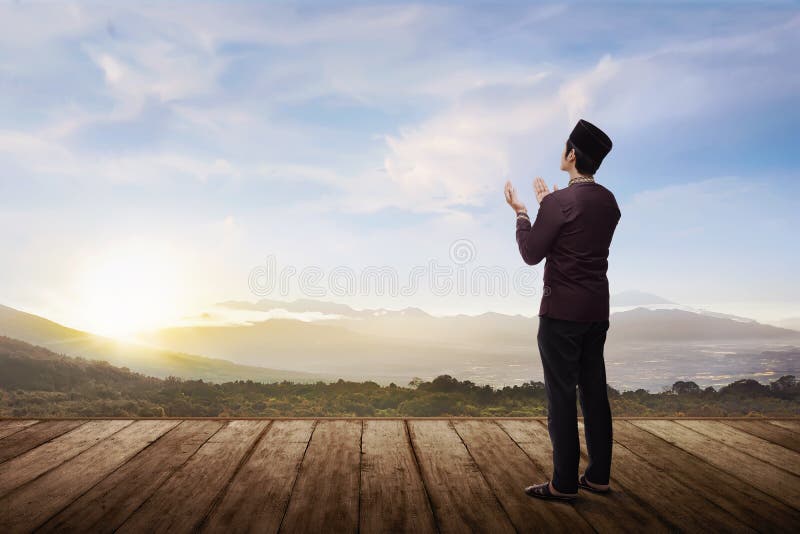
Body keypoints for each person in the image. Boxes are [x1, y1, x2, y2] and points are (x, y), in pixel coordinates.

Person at [503, 119, 621, 502]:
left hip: (560, 315)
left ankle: (564, 483)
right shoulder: (609, 202)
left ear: (571, 155)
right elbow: (579, 235)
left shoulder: (558, 204)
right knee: (594, 393)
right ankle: (599, 477)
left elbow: (531, 253)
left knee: (561, 397)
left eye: (563, 148)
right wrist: (549, 206)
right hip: (596, 311)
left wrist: (524, 214)